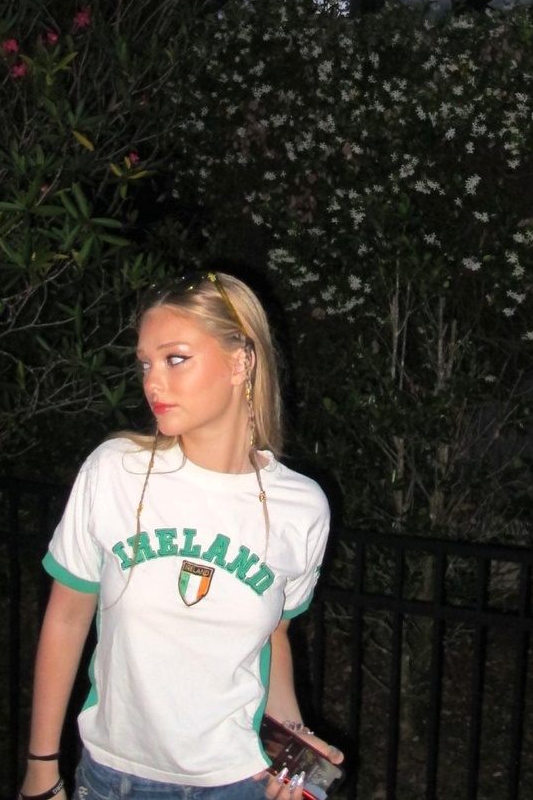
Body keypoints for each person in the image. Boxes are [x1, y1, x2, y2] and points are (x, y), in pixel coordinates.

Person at [19, 271, 343, 800]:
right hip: (117, 780)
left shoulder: (301, 506)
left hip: (238, 780)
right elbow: (67, 617)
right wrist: (41, 766)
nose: (153, 382)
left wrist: (291, 740)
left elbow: (274, 636)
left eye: (175, 359)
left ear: (241, 362)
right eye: (145, 363)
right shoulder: (115, 471)